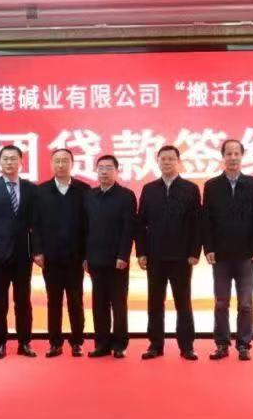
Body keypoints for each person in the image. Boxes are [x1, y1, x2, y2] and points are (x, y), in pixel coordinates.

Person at [137, 145, 201, 360]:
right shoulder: (149, 189)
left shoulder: (190, 189)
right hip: (155, 256)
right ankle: (155, 345)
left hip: (182, 257)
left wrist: (194, 252)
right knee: (155, 302)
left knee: (183, 302)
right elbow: (141, 223)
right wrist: (141, 252)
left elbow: (196, 224)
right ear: (157, 161)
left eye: (171, 159)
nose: (167, 162)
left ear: (178, 161)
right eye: (163, 159)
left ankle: (186, 346)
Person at [201, 139, 253, 361]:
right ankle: (221, 344)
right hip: (221, 255)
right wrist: (208, 248)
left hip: (246, 255)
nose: (233, 157)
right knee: (221, 303)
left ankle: (244, 344)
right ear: (223, 156)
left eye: (237, 153)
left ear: (242, 156)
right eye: (229, 153)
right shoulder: (212, 185)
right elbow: (206, 220)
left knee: (245, 303)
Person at [0, 144, 38, 359]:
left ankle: (24, 343)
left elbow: (36, 223)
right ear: (0, 162)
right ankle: (0, 343)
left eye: (13, 158)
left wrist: (36, 250)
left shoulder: (31, 188)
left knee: (23, 301)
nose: (9, 162)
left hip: (23, 254)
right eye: (5, 159)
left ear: (21, 162)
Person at [33, 148, 89, 358]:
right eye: (57, 161)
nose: (61, 165)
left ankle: (77, 342)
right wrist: (37, 251)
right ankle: (55, 343)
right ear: (51, 164)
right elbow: (35, 225)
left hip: (75, 257)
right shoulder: (41, 191)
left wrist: (86, 255)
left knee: (76, 302)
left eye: (65, 161)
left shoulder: (83, 190)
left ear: (72, 164)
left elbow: (89, 225)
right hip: (51, 257)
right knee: (54, 302)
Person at [83, 154, 136, 359]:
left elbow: (128, 229)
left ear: (116, 171)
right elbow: (84, 228)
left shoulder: (126, 196)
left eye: (108, 168)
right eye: (101, 168)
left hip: (117, 260)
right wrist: (85, 256)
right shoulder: (90, 195)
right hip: (95, 258)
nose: (104, 171)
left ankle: (120, 344)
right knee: (99, 304)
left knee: (119, 303)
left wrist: (123, 255)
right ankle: (102, 343)